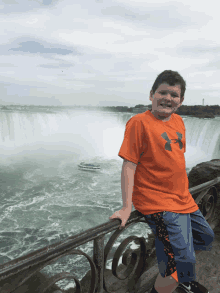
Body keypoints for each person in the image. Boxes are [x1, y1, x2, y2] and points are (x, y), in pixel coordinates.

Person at [109, 70, 215, 293]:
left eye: (174, 95)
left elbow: (173, 158)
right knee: (181, 257)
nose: (168, 98)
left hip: (181, 198)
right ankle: (174, 281)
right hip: (157, 202)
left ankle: (178, 271)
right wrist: (127, 207)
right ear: (151, 95)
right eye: (163, 92)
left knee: (205, 236)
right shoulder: (139, 123)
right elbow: (129, 165)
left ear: (181, 101)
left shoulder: (178, 121)